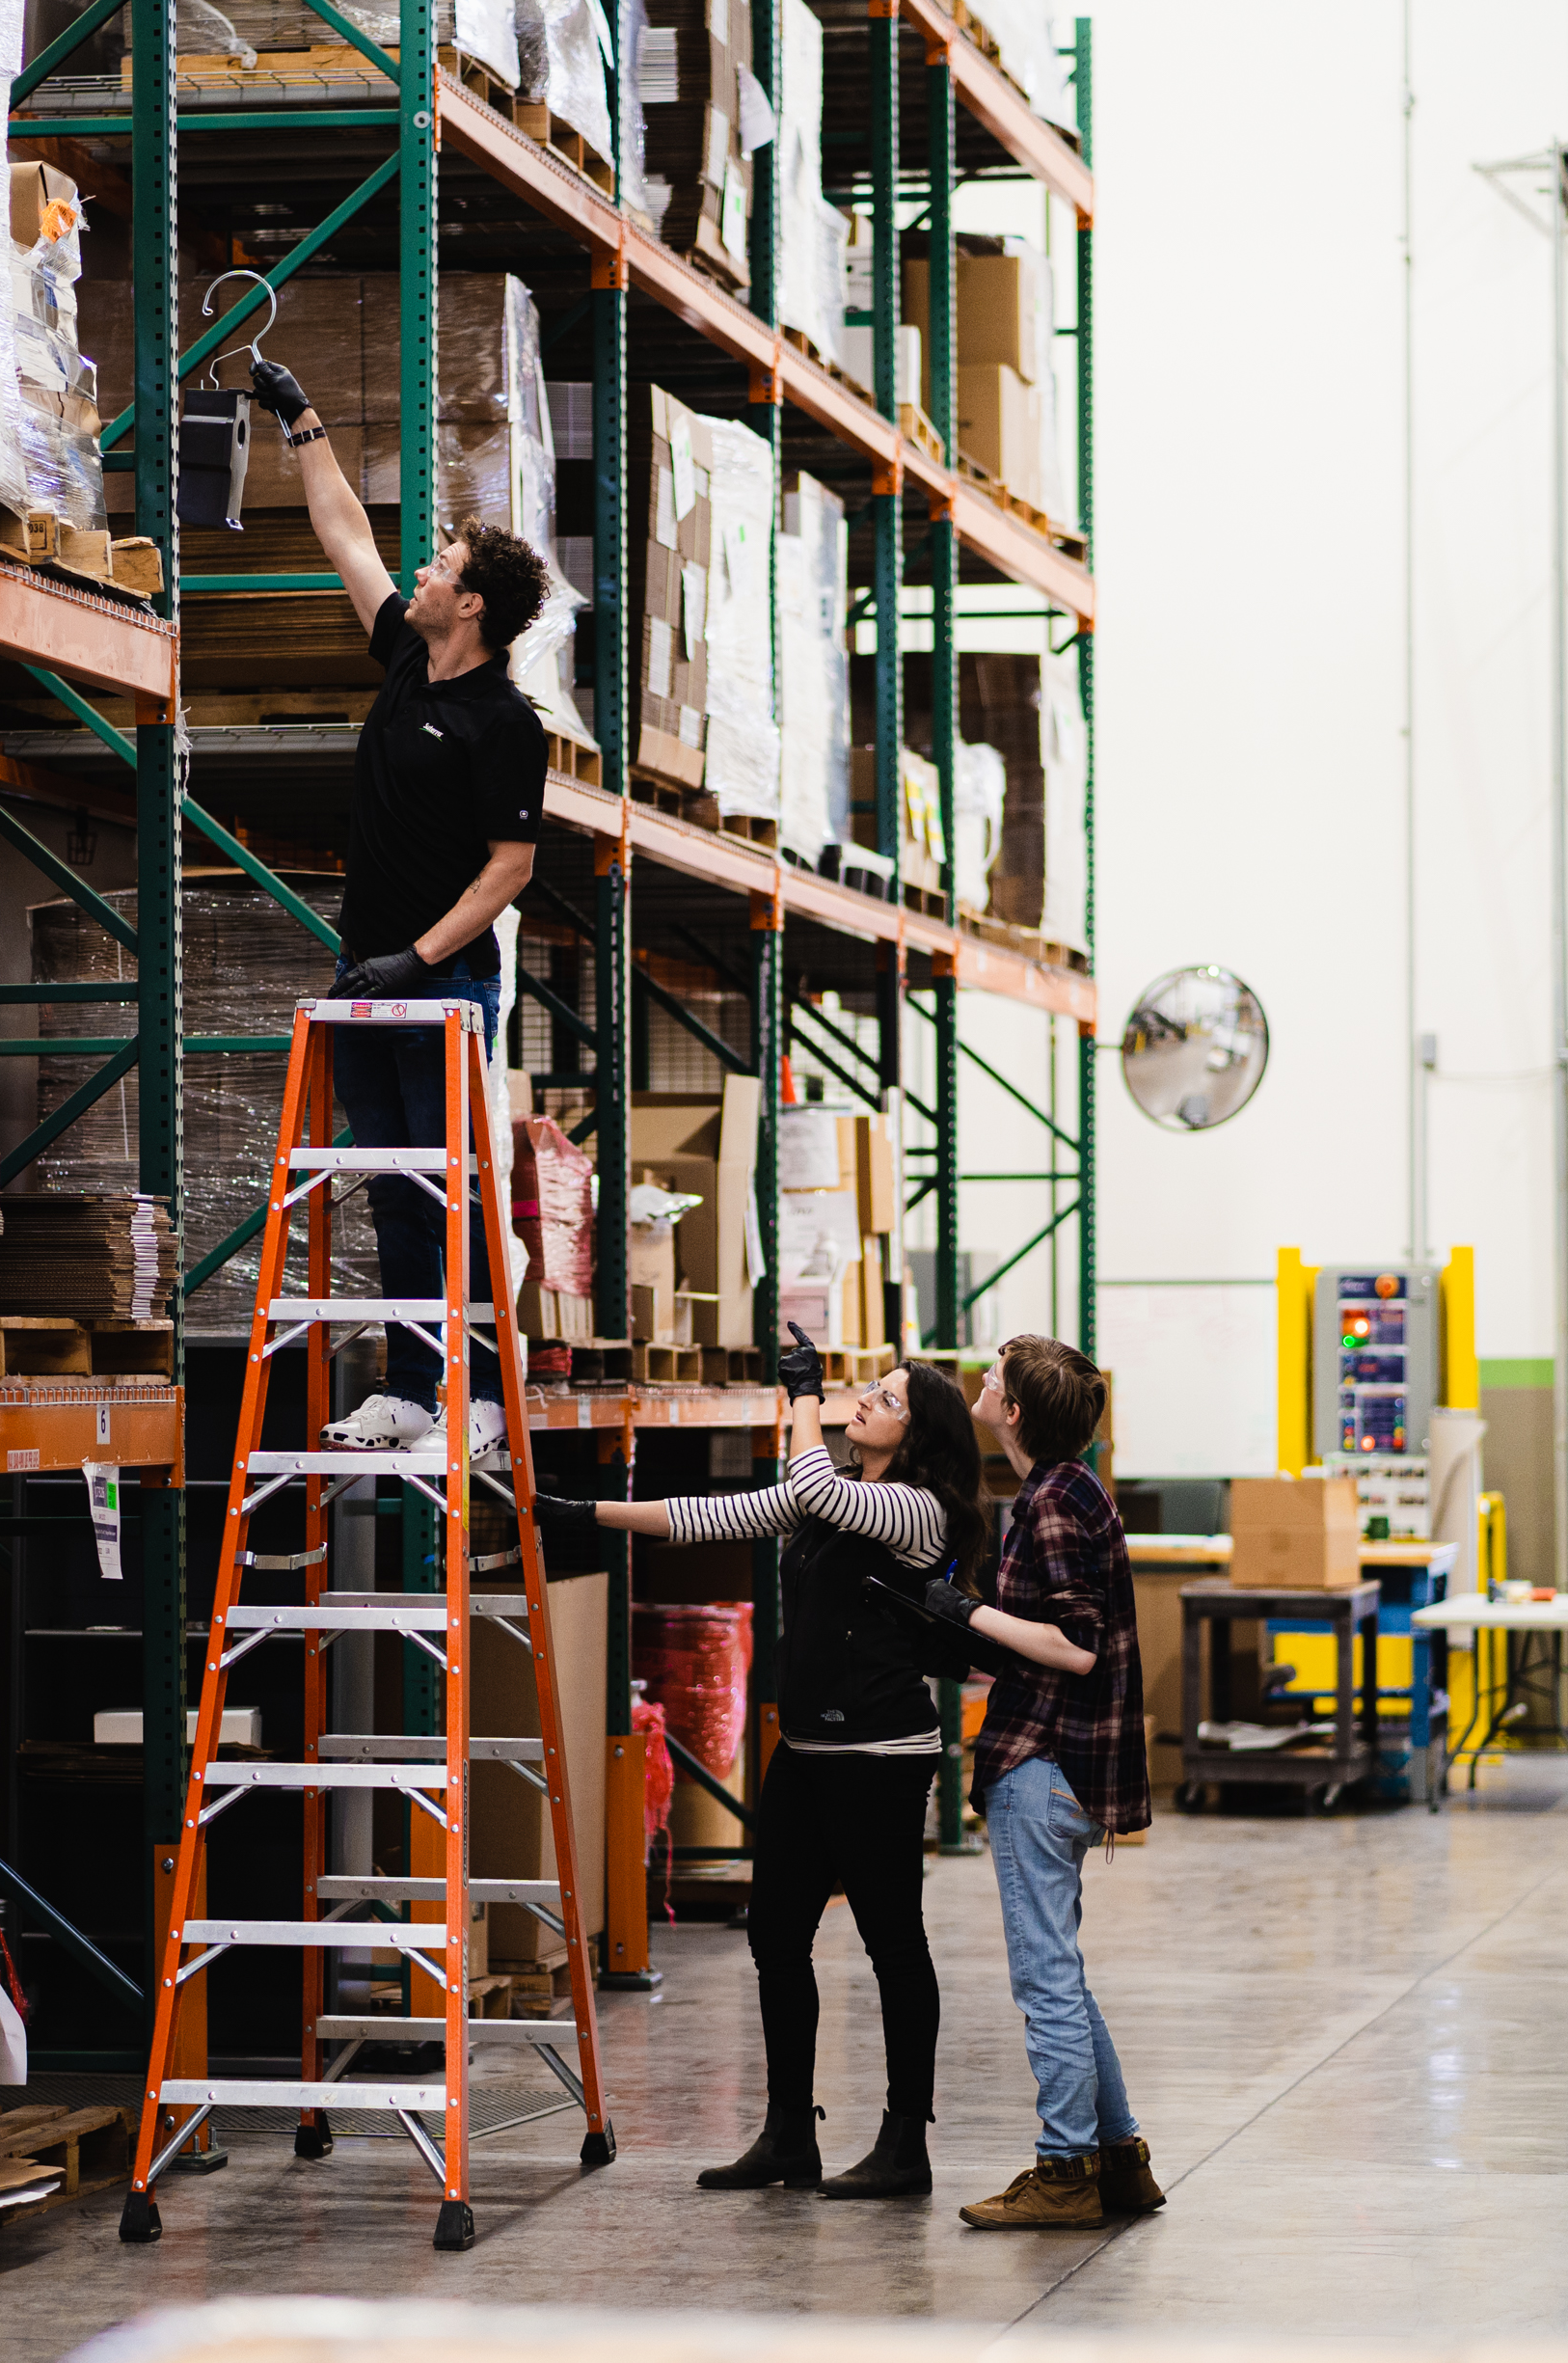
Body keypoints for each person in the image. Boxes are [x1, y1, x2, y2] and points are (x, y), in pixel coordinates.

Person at [537, 1340, 1094, 2202]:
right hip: (803, 1753)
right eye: (864, 1391)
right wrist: (582, 1515)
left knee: (892, 1945)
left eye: (887, 1399)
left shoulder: (919, 1509)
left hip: (878, 1761)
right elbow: (709, 1516)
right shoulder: (828, 1499)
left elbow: (807, 1487)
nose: (863, 1402)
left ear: (920, 1434)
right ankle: (788, 2134)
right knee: (774, 1939)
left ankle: (905, 2144)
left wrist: (799, 1398)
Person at [242, 352, 553, 1465]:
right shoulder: (407, 666)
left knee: (440, 1187)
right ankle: (418, 1391)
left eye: (442, 564)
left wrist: (418, 958)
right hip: (370, 970)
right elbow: (346, 540)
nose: (418, 570)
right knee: (390, 1183)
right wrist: (301, 415)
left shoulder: (503, 720)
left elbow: (510, 868)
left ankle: (465, 1394)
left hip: (444, 979)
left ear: (471, 603)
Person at [951, 1334, 1156, 2232]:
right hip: (1058, 1763)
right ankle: (1120, 2163)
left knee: (1043, 1980)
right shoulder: (1059, 1490)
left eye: (992, 1381)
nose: (980, 1388)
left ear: (1017, 1412)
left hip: (1044, 1764)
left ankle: (1062, 2171)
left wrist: (969, 1613)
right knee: (1061, 1975)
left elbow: (1074, 1644)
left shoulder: (1052, 1502)